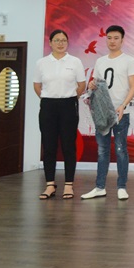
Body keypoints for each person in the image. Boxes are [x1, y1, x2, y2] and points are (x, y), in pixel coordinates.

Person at [81, 25, 134, 201]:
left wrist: (123, 105)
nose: (112, 41)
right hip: (102, 112)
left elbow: (133, 87)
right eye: (109, 38)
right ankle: (100, 187)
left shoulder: (129, 60)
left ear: (122, 40)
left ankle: (122, 187)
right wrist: (91, 85)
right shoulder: (100, 61)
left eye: (116, 38)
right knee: (102, 150)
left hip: (121, 112)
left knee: (121, 149)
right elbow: (96, 84)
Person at [33, 29, 86, 200]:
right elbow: (37, 85)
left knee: (68, 146)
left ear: (67, 42)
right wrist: (48, 98)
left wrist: (69, 98)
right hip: (48, 106)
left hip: (68, 105)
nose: (60, 43)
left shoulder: (75, 62)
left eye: (63, 40)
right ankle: (50, 185)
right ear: (50, 43)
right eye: (57, 40)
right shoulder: (41, 63)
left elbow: (81, 85)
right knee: (49, 146)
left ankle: (69, 185)